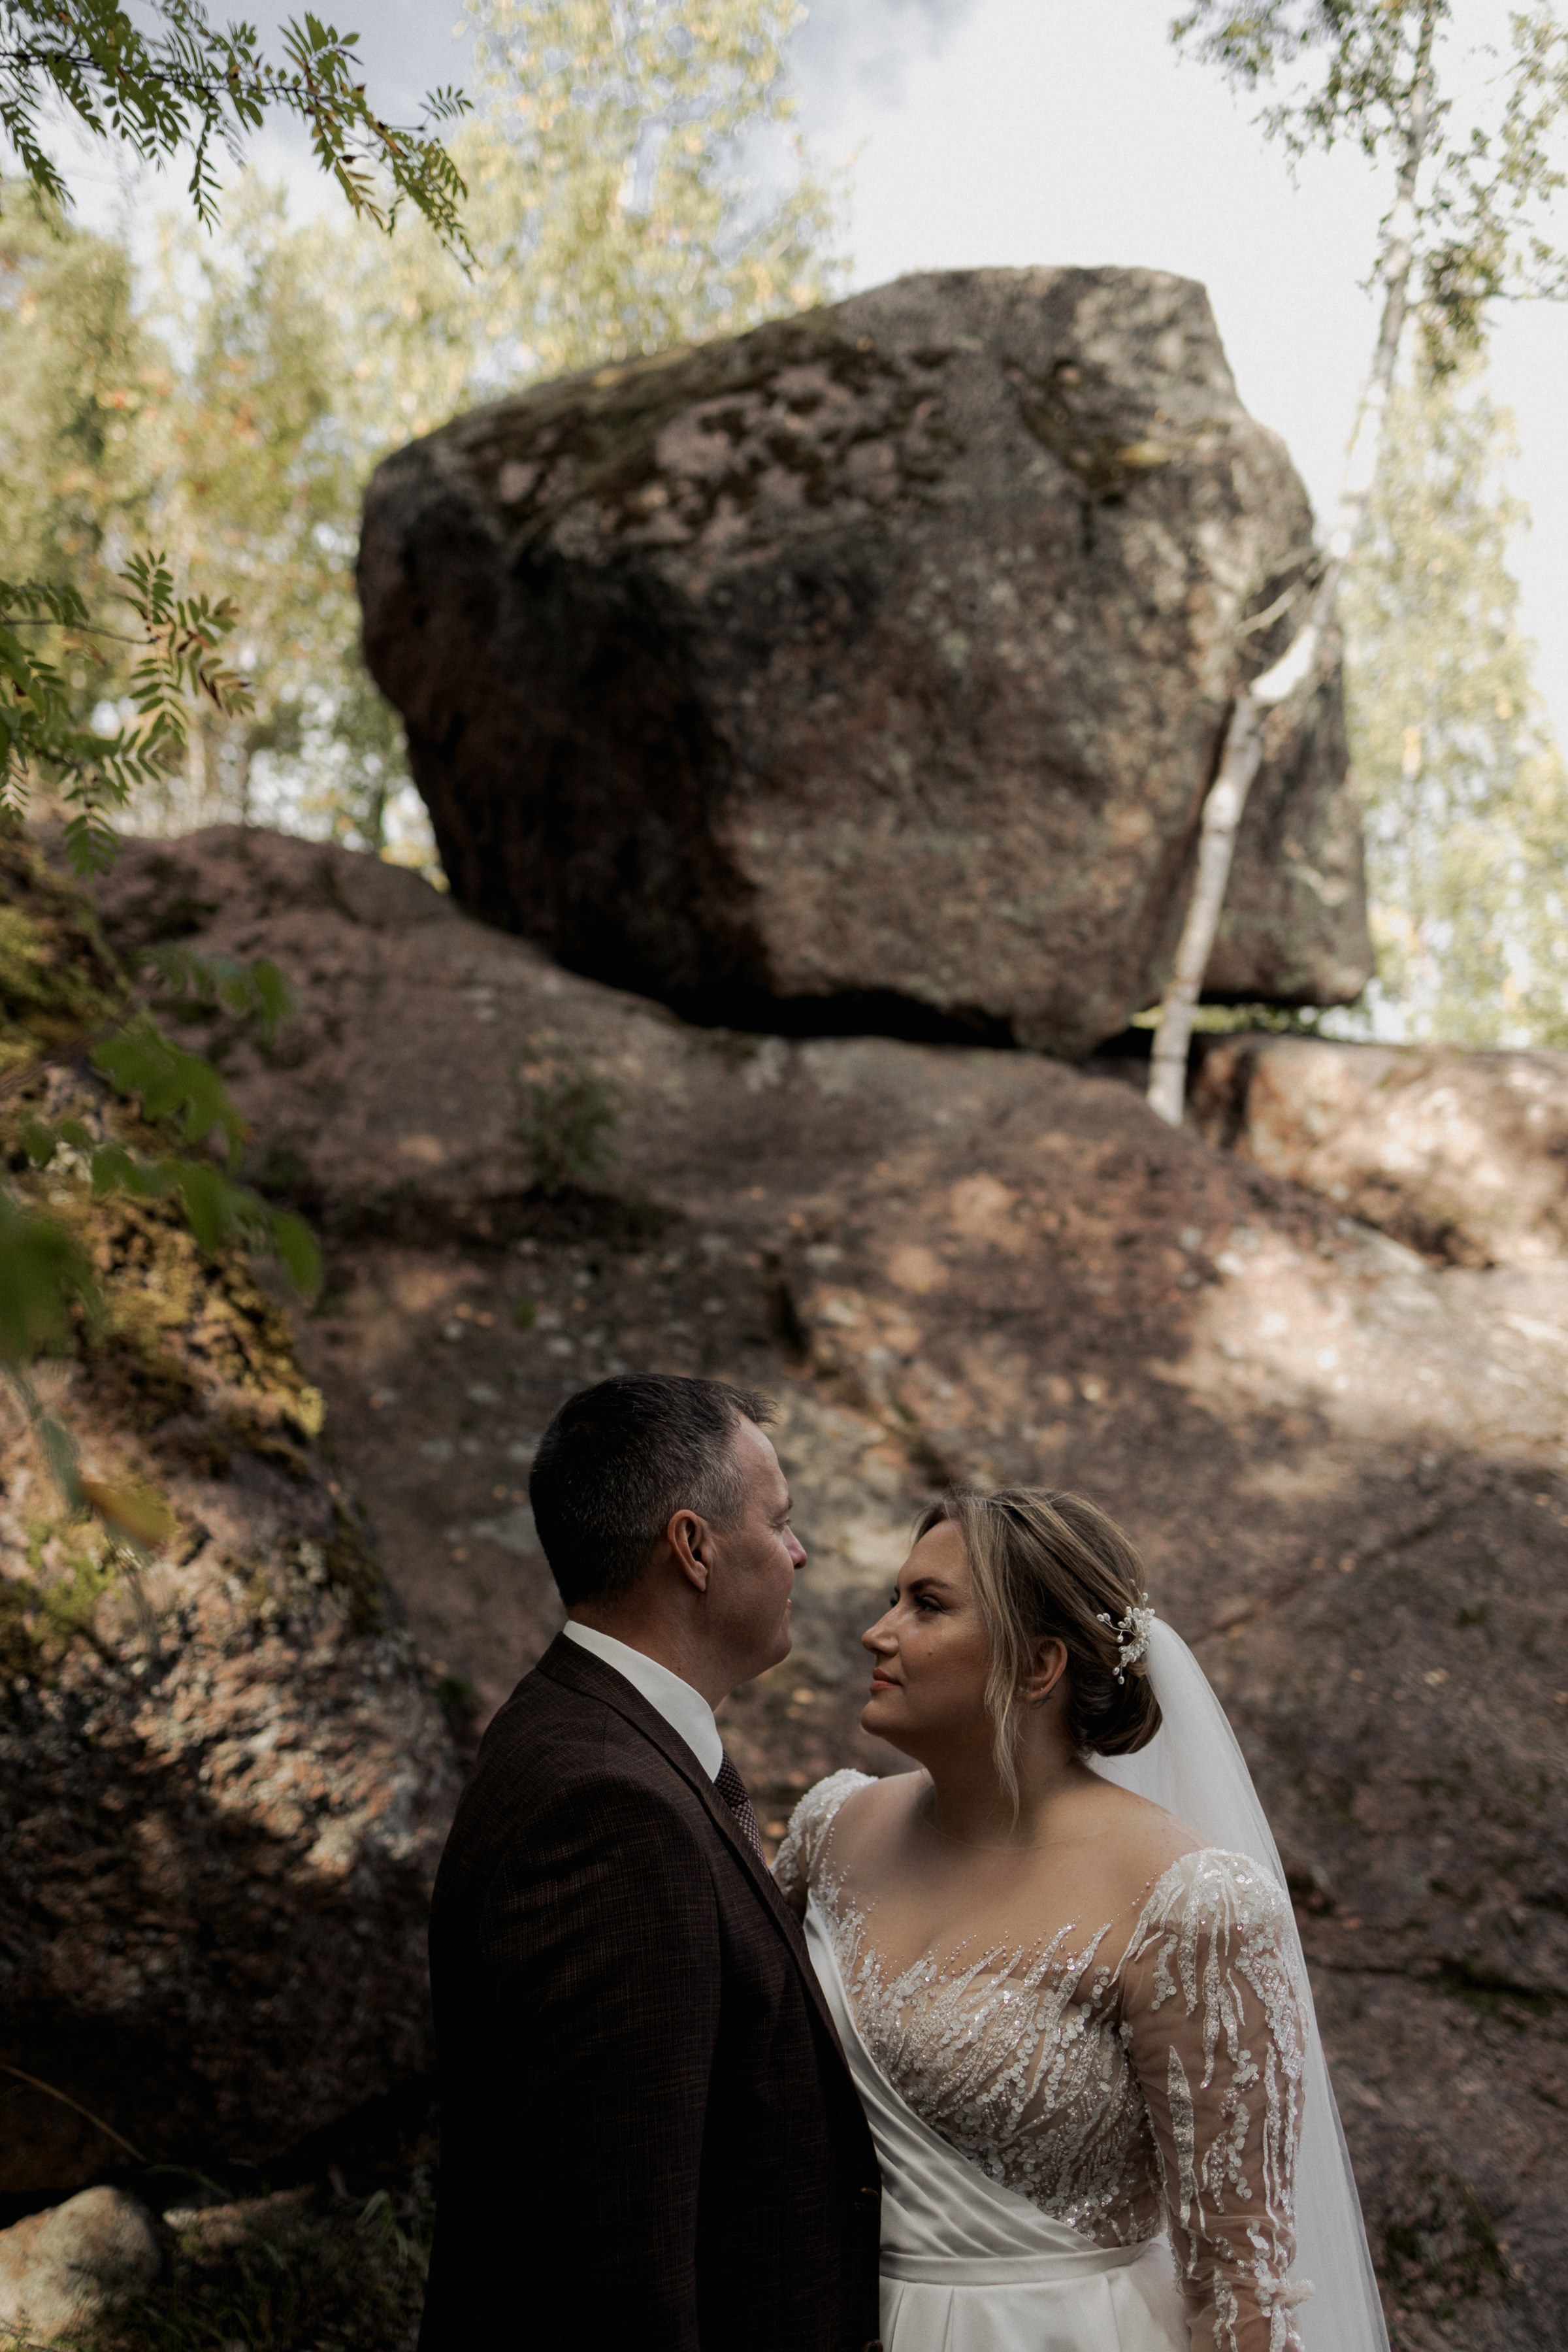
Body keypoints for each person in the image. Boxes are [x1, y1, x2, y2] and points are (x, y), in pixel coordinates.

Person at [776, 1485, 1389, 2352]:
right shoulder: (829, 1830)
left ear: (1038, 1667)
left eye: (928, 1606)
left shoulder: (1191, 1903)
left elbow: (1240, 2281)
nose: (880, 1632)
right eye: (892, 1599)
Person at [419, 1373, 883, 2352]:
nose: (799, 1552)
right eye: (780, 1521)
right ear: (694, 1547)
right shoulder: (612, 1810)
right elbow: (614, 2245)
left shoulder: (596, 1733)